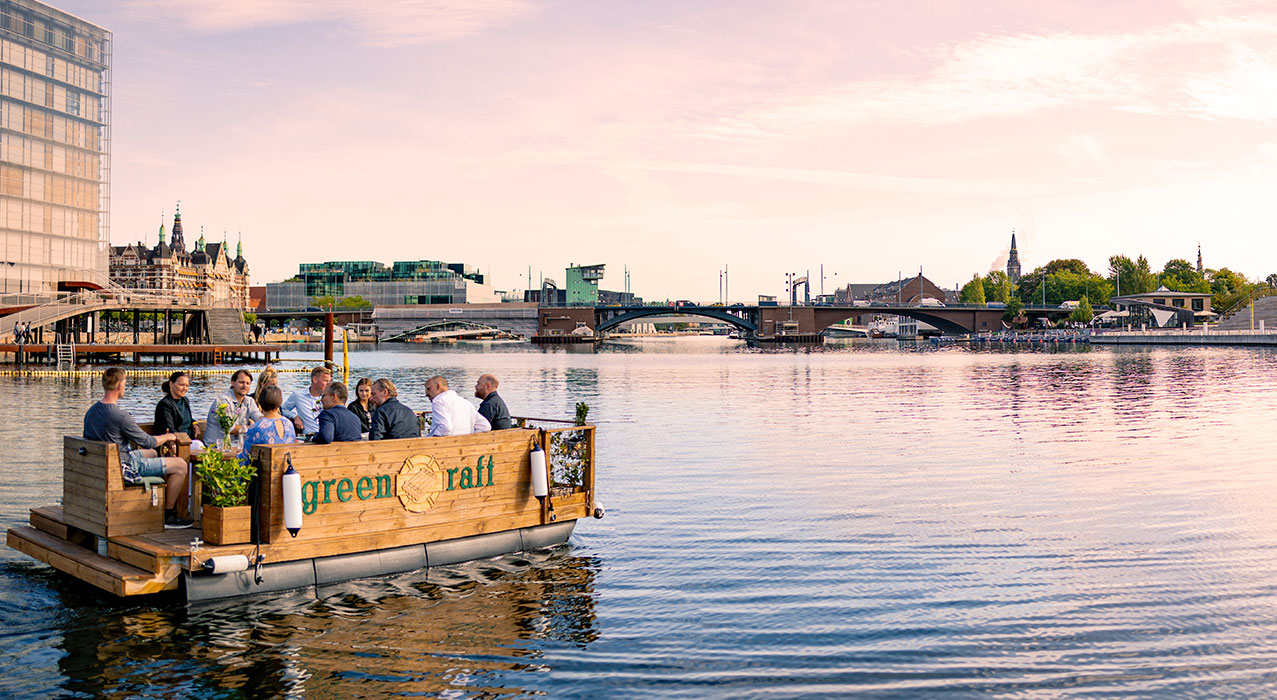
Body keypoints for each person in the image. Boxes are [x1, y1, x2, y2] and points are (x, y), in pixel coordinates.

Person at [84, 368, 191, 528]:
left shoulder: (92, 411)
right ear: (120, 386)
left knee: (152, 453)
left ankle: (156, 501)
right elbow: (147, 441)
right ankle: (168, 514)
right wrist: (168, 437)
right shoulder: (121, 416)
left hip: (104, 464)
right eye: (125, 384)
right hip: (123, 467)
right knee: (181, 465)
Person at [238, 385, 297, 464]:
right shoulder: (288, 424)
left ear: (260, 402)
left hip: (263, 473)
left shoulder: (256, 427)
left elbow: (245, 457)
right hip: (285, 470)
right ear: (279, 402)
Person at [204, 369, 262, 448]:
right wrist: (252, 428)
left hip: (235, 446)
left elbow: (260, 418)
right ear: (233, 382)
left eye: (248, 383)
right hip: (216, 447)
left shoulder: (250, 401)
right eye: (241, 382)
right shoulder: (222, 401)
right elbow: (230, 429)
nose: (245, 386)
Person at [154, 371, 203, 445]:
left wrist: (194, 423)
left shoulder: (185, 400)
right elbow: (170, 429)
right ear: (171, 384)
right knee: (199, 445)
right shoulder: (164, 404)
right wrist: (184, 440)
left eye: (187, 386)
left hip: (190, 441)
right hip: (176, 444)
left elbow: (187, 418)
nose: (185, 388)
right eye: (181, 385)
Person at [282, 365, 331, 439]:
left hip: (326, 436)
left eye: (329, 381)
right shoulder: (298, 395)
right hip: (308, 437)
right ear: (315, 379)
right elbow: (283, 409)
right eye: (325, 381)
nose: (328, 384)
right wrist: (295, 416)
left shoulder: (330, 398)